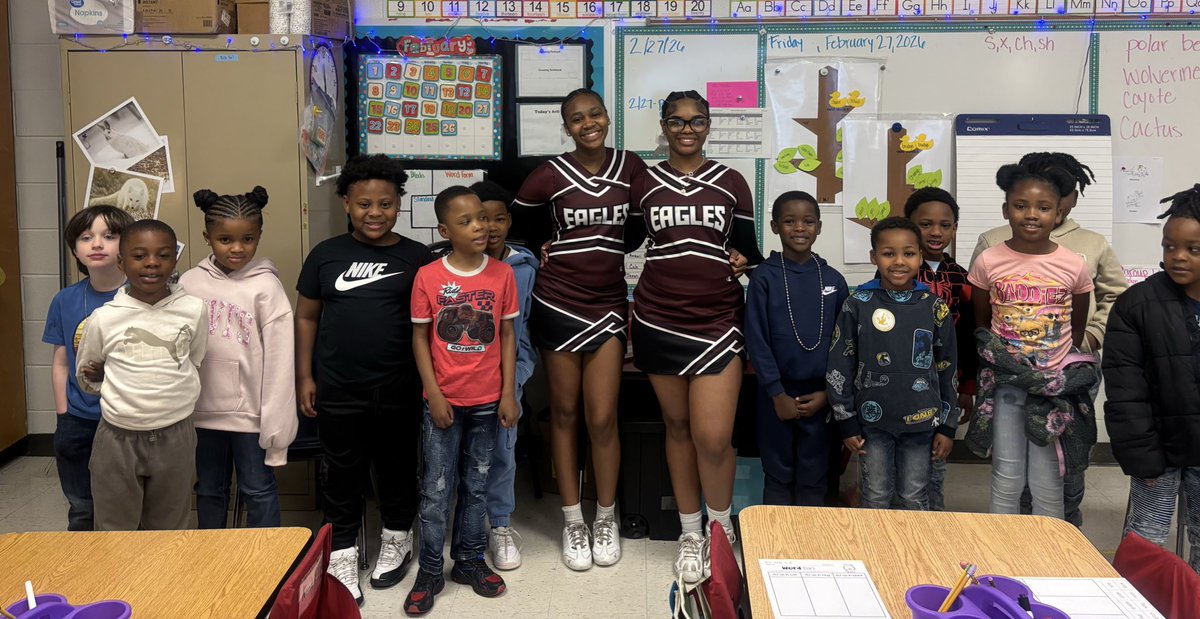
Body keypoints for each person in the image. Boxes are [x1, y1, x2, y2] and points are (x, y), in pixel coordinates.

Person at [627, 89, 765, 583]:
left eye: (697, 121)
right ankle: (690, 533)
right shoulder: (643, 182)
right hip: (658, 317)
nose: (687, 129)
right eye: (677, 121)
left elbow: (750, 252)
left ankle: (720, 530)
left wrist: (745, 261)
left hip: (717, 321)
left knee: (713, 436)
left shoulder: (732, 181)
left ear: (708, 125)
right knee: (679, 428)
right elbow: (621, 241)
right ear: (664, 126)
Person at [512, 89, 645, 570]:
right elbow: (518, 226)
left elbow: (637, 230)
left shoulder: (631, 167)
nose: (588, 123)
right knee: (565, 413)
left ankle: (605, 516)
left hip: (608, 304)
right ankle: (572, 520)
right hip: (558, 303)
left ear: (607, 117)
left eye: (594, 114)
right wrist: (541, 247)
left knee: (602, 417)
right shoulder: (549, 174)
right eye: (576, 118)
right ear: (566, 127)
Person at [296, 154, 430, 604]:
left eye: (385, 204)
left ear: (399, 204)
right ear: (346, 204)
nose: (375, 213)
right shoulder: (326, 255)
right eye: (364, 204)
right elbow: (306, 317)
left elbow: (428, 325)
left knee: (397, 467)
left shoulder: (417, 257)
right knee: (342, 473)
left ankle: (397, 537)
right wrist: (304, 375)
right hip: (338, 386)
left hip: (399, 386)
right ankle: (341, 551)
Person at [970, 152, 1126, 526]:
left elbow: (1079, 319)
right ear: (1006, 210)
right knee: (1007, 474)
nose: (1031, 214)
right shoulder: (989, 259)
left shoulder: (1074, 263)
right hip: (1007, 383)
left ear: (1058, 214)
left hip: (1055, 387)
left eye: (1043, 208)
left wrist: (1065, 357)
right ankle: (1002, 550)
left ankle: (1049, 550)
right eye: (1021, 205)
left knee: (1048, 479)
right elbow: (981, 323)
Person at [405, 186, 519, 615]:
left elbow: (507, 335)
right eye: (467, 221)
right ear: (444, 230)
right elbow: (420, 338)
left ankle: (469, 560)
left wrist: (508, 393)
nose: (480, 227)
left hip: (488, 401)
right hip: (443, 402)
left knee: (477, 485)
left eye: (483, 218)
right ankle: (430, 569)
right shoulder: (428, 276)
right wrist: (433, 393)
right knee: (436, 489)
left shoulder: (502, 274)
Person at [75, 219, 208, 531]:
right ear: (121, 262)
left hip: (176, 434)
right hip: (117, 436)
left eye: (163, 255)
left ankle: (164, 567)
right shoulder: (104, 318)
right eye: (139, 256)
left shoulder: (193, 309)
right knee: (114, 529)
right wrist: (110, 378)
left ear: (175, 259)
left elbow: (194, 360)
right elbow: (87, 376)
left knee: (169, 528)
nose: (152, 263)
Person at [180, 186, 297, 529]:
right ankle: (212, 555)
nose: (237, 248)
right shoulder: (189, 284)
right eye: (225, 239)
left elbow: (280, 364)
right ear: (207, 238)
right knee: (209, 490)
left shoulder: (267, 288)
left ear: (259, 236)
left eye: (248, 239)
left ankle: (267, 557)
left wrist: (276, 428)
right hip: (201, 416)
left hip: (252, 418)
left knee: (258, 490)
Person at [826, 217, 959, 512]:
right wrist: (846, 419)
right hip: (872, 424)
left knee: (914, 497)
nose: (899, 261)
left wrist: (947, 426)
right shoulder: (857, 304)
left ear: (920, 256)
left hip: (922, 424)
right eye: (889, 253)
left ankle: (914, 545)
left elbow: (947, 369)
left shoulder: (935, 307)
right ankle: (875, 545)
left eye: (908, 253)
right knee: (875, 497)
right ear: (874, 257)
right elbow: (840, 365)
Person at [1104, 184, 1200, 573]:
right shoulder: (1136, 304)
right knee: (1146, 538)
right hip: (1156, 451)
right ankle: (1134, 602)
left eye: (1193, 249)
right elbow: (1125, 391)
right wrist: (1142, 458)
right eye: (1169, 246)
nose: (1178, 256)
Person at [745, 191, 847, 506]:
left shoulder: (833, 279)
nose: (800, 228)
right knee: (777, 474)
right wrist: (777, 394)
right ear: (775, 227)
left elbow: (845, 345)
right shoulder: (763, 277)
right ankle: (775, 536)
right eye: (790, 221)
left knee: (815, 475)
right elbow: (756, 339)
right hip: (775, 395)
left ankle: (809, 536)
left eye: (808, 221)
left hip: (820, 396)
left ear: (819, 227)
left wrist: (829, 394)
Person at [43, 205, 135, 531]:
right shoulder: (64, 300)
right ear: (75, 249)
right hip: (78, 419)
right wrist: (63, 413)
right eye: (86, 237)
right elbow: (60, 361)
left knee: (126, 506)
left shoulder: (142, 296)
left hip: (128, 418)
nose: (97, 244)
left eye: (109, 236)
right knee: (82, 507)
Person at [474, 180, 538, 570]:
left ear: (509, 221)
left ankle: (499, 524)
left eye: (498, 219)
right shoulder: (448, 266)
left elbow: (525, 329)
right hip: (461, 375)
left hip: (506, 374)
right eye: (481, 219)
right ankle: (465, 525)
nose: (490, 227)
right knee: (455, 452)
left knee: (501, 450)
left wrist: (517, 375)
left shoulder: (525, 267)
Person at [905, 188, 977, 511]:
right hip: (899, 384)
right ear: (909, 224)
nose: (936, 232)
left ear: (954, 228)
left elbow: (970, 338)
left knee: (934, 465)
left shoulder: (962, 279)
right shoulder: (897, 273)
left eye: (945, 225)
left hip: (944, 387)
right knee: (898, 464)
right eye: (926, 224)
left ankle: (932, 522)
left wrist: (967, 387)